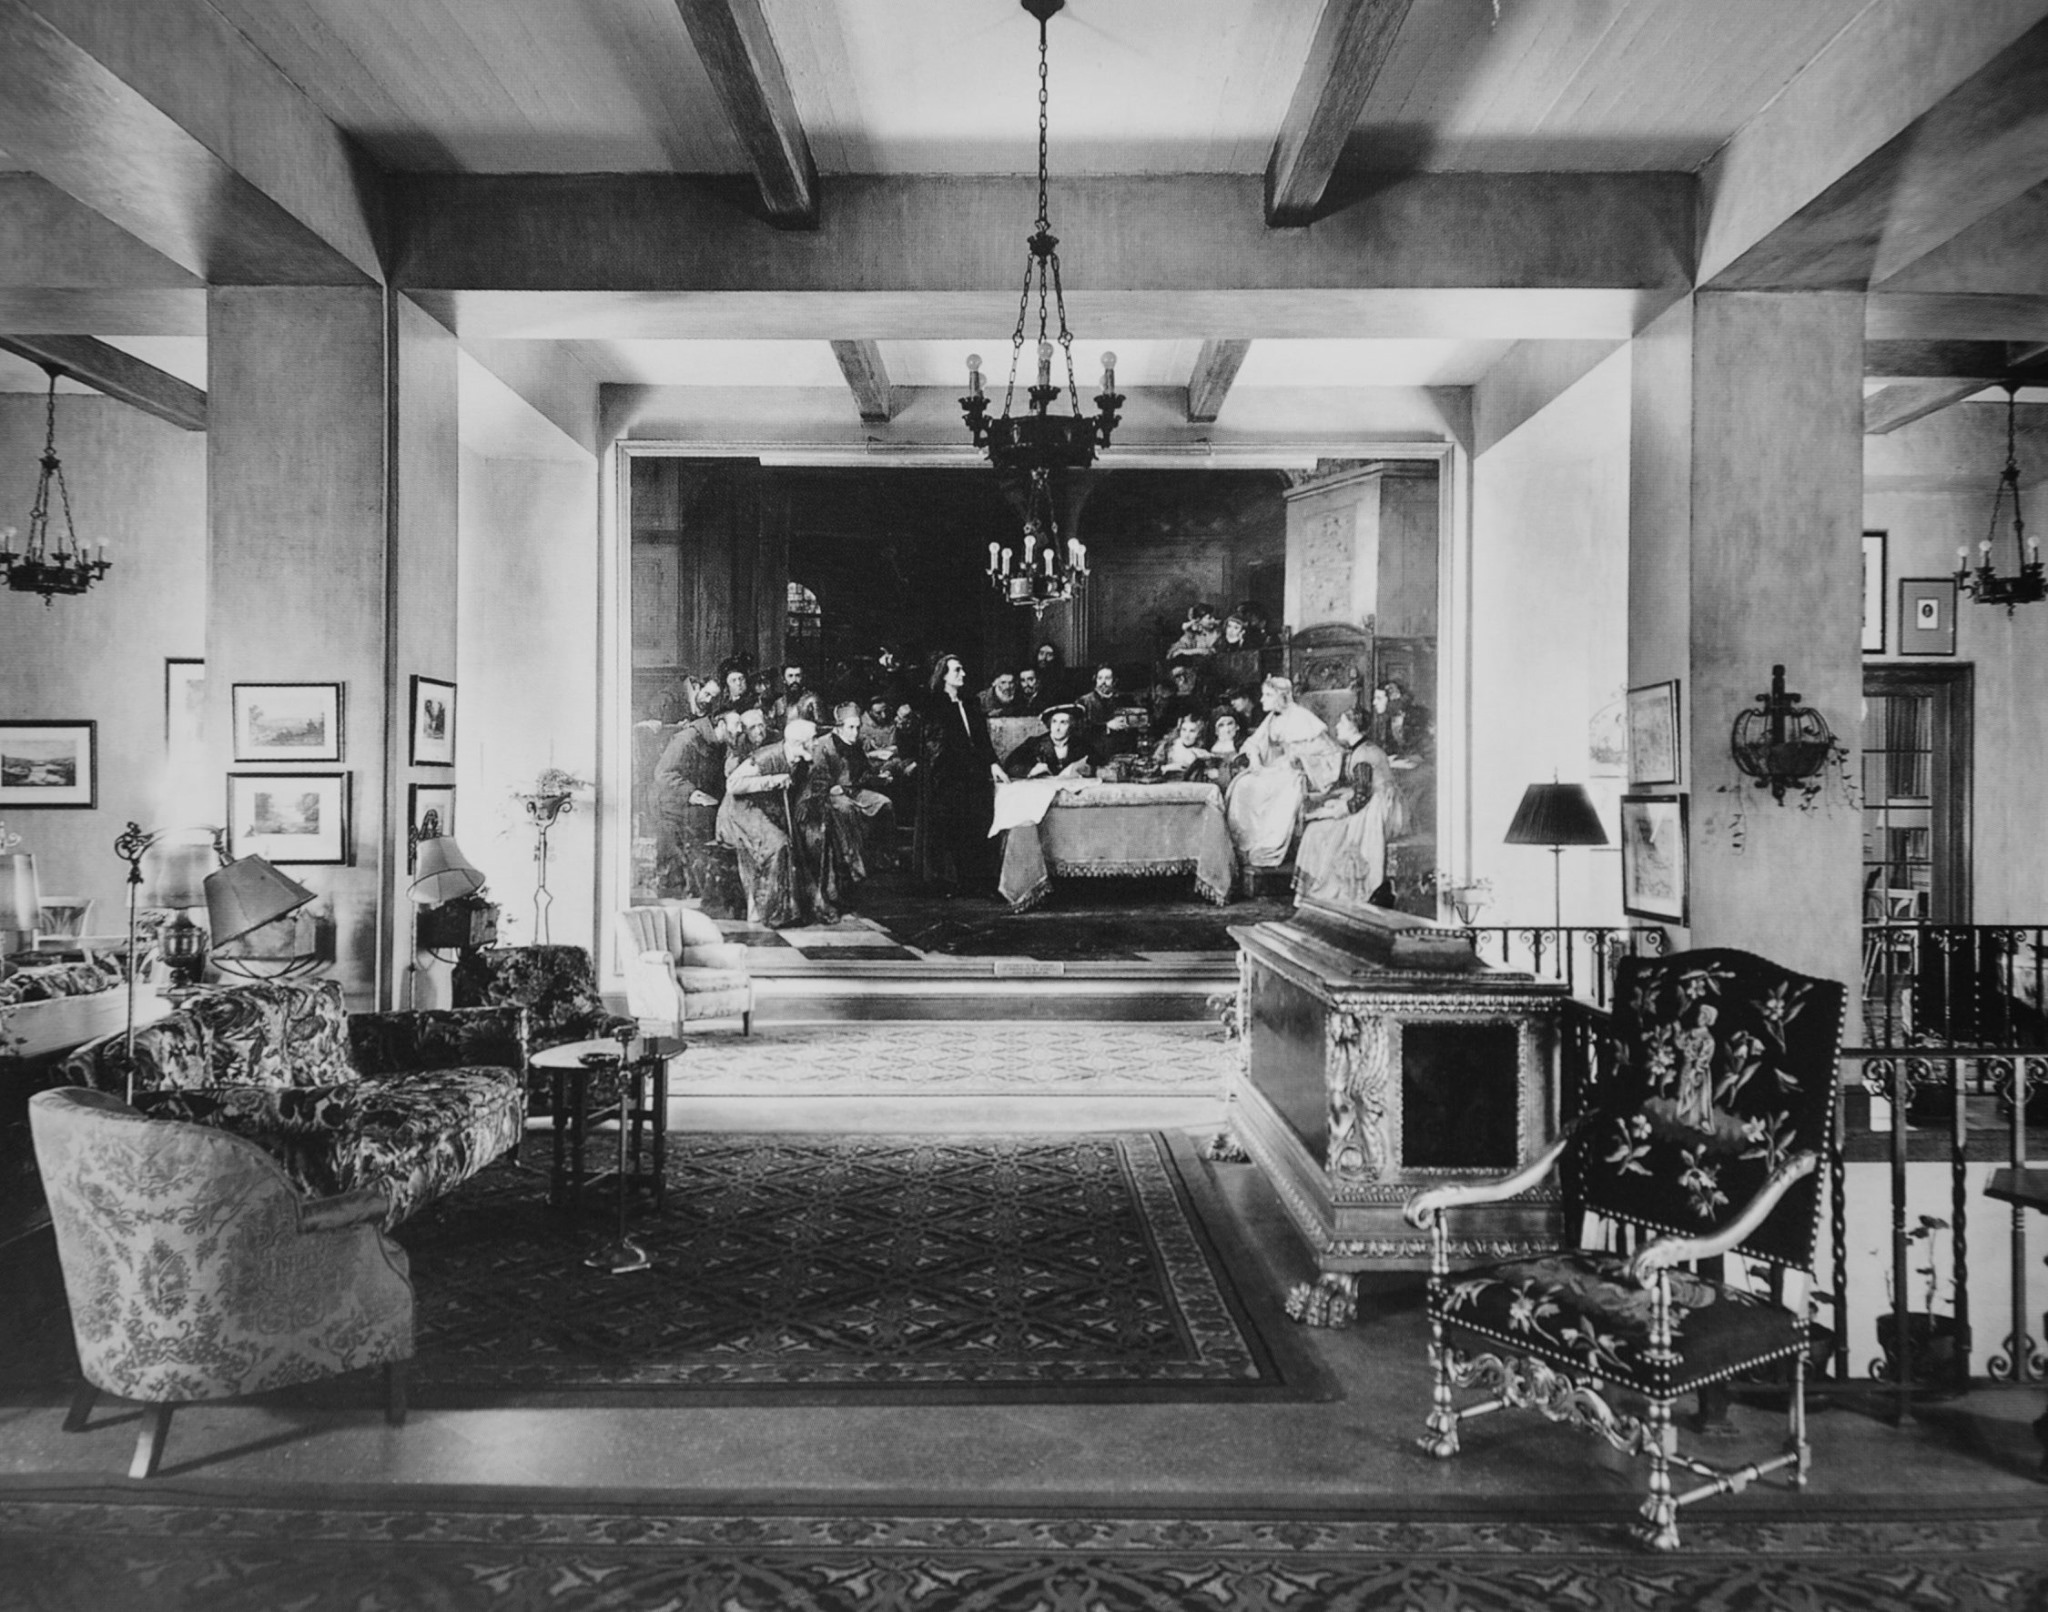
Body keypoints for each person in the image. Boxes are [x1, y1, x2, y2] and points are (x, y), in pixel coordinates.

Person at [1226, 675, 1343, 870]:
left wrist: (1296, 758)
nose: (1262, 700)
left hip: (1296, 773)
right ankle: (1245, 846)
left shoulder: (1301, 717)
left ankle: (1267, 844)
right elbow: (1254, 742)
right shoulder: (1272, 718)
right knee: (1243, 785)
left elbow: (1325, 751)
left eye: (1268, 695)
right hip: (1274, 769)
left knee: (1270, 790)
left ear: (1282, 697)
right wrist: (1254, 758)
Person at [913, 651, 1006, 896]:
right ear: (943, 676)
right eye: (957, 670)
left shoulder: (970, 703)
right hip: (947, 777)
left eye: (962, 669)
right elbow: (937, 746)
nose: (963, 674)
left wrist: (993, 764)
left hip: (973, 776)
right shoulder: (934, 704)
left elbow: (982, 740)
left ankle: (978, 881)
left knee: (979, 825)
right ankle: (948, 882)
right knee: (951, 828)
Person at [1292, 708, 1402, 908]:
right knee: (1317, 830)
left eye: (1341, 723)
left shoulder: (1364, 754)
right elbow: (1362, 789)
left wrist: (1333, 810)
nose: (1337, 727)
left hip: (1376, 810)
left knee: (1320, 833)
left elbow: (1361, 797)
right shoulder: (1363, 749)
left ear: (1353, 726)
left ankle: (1325, 892)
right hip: (1374, 801)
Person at [653, 697, 735, 901]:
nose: (740, 730)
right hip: (672, 804)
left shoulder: (719, 743)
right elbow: (663, 773)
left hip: (696, 805)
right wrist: (692, 793)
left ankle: (703, 891)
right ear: (722, 725)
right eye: (737, 725)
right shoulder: (687, 739)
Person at [815, 699, 898, 874]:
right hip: (833, 794)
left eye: (858, 727)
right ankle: (852, 865)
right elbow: (817, 777)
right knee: (846, 810)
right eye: (850, 727)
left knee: (885, 804)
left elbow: (862, 772)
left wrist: (879, 777)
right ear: (838, 727)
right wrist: (831, 787)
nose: (856, 732)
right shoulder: (824, 745)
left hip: (855, 791)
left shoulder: (857, 744)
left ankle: (883, 858)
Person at [1006, 703, 1094, 779]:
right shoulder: (1034, 743)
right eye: (1054, 722)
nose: (1057, 728)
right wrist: (1031, 770)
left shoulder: (1080, 744)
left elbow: (1098, 764)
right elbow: (1009, 765)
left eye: (1063, 722)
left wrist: (1089, 769)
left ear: (1071, 725)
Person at [1077, 664, 1139, 757]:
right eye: (1100, 678)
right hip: (1092, 754)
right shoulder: (1084, 702)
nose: (1103, 682)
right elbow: (1080, 729)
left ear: (1114, 681)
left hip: (1119, 753)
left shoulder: (1123, 700)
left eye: (1107, 678)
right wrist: (1107, 726)